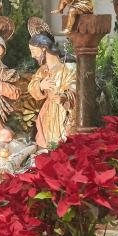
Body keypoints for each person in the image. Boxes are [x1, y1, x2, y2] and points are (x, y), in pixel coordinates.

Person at [26, 17, 77, 148]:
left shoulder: (67, 66)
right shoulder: (43, 70)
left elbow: (76, 86)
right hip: (48, 113)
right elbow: (32, 86)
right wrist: (40, 86)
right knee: (48, 145)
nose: (32, 56)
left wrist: (64, 97)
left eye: (33, 51)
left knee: (64, 144)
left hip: (64, 112)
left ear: (43, 48)